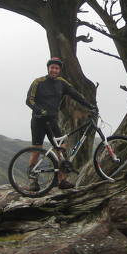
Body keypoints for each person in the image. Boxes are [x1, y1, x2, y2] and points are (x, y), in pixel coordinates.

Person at [25, 57, 96, 190]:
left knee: (61, 149)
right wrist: (40, 110)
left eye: (56, 68)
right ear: (48, 68)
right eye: (52, 67)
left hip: (52, 121)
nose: (54, 70)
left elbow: (76, 95)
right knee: (36, 150)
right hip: (38, 120)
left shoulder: (62, 83)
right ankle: (32, 181)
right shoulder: (38, 82)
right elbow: (29, 100)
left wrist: (90, 105)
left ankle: (62, 181)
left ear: (59, 70)